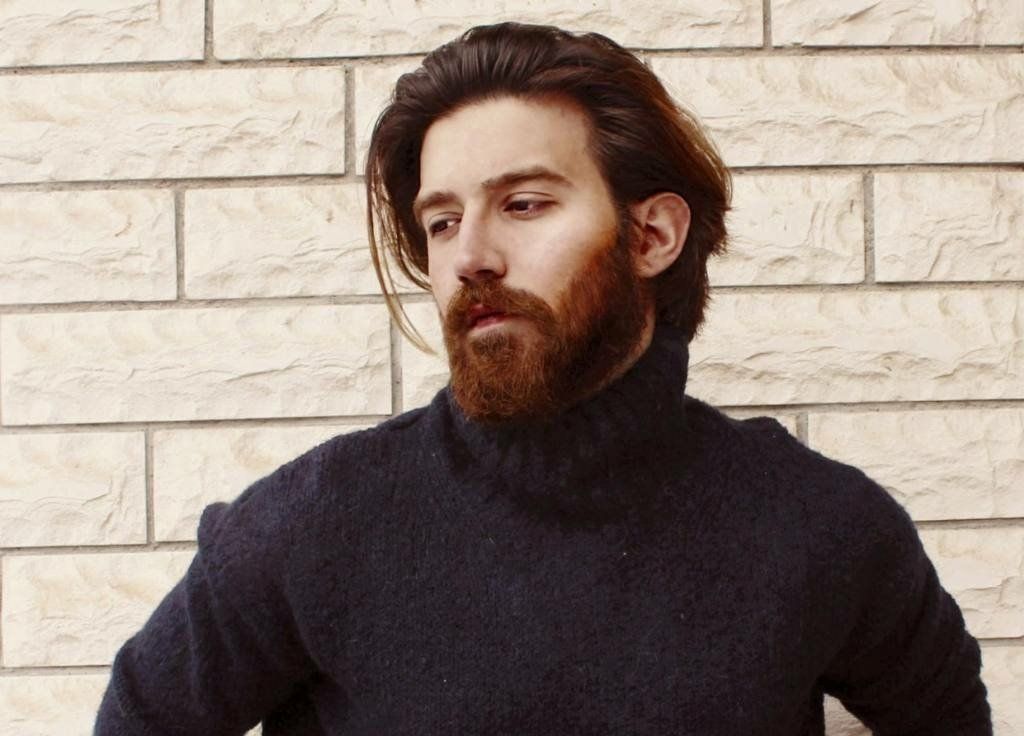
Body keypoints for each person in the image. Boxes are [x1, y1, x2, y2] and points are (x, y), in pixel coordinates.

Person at [95, 22, 991, 735]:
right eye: (442, 222)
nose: (471, 256)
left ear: (652, 236)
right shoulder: (312, 525)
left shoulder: (820, 527)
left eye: (523, 204)